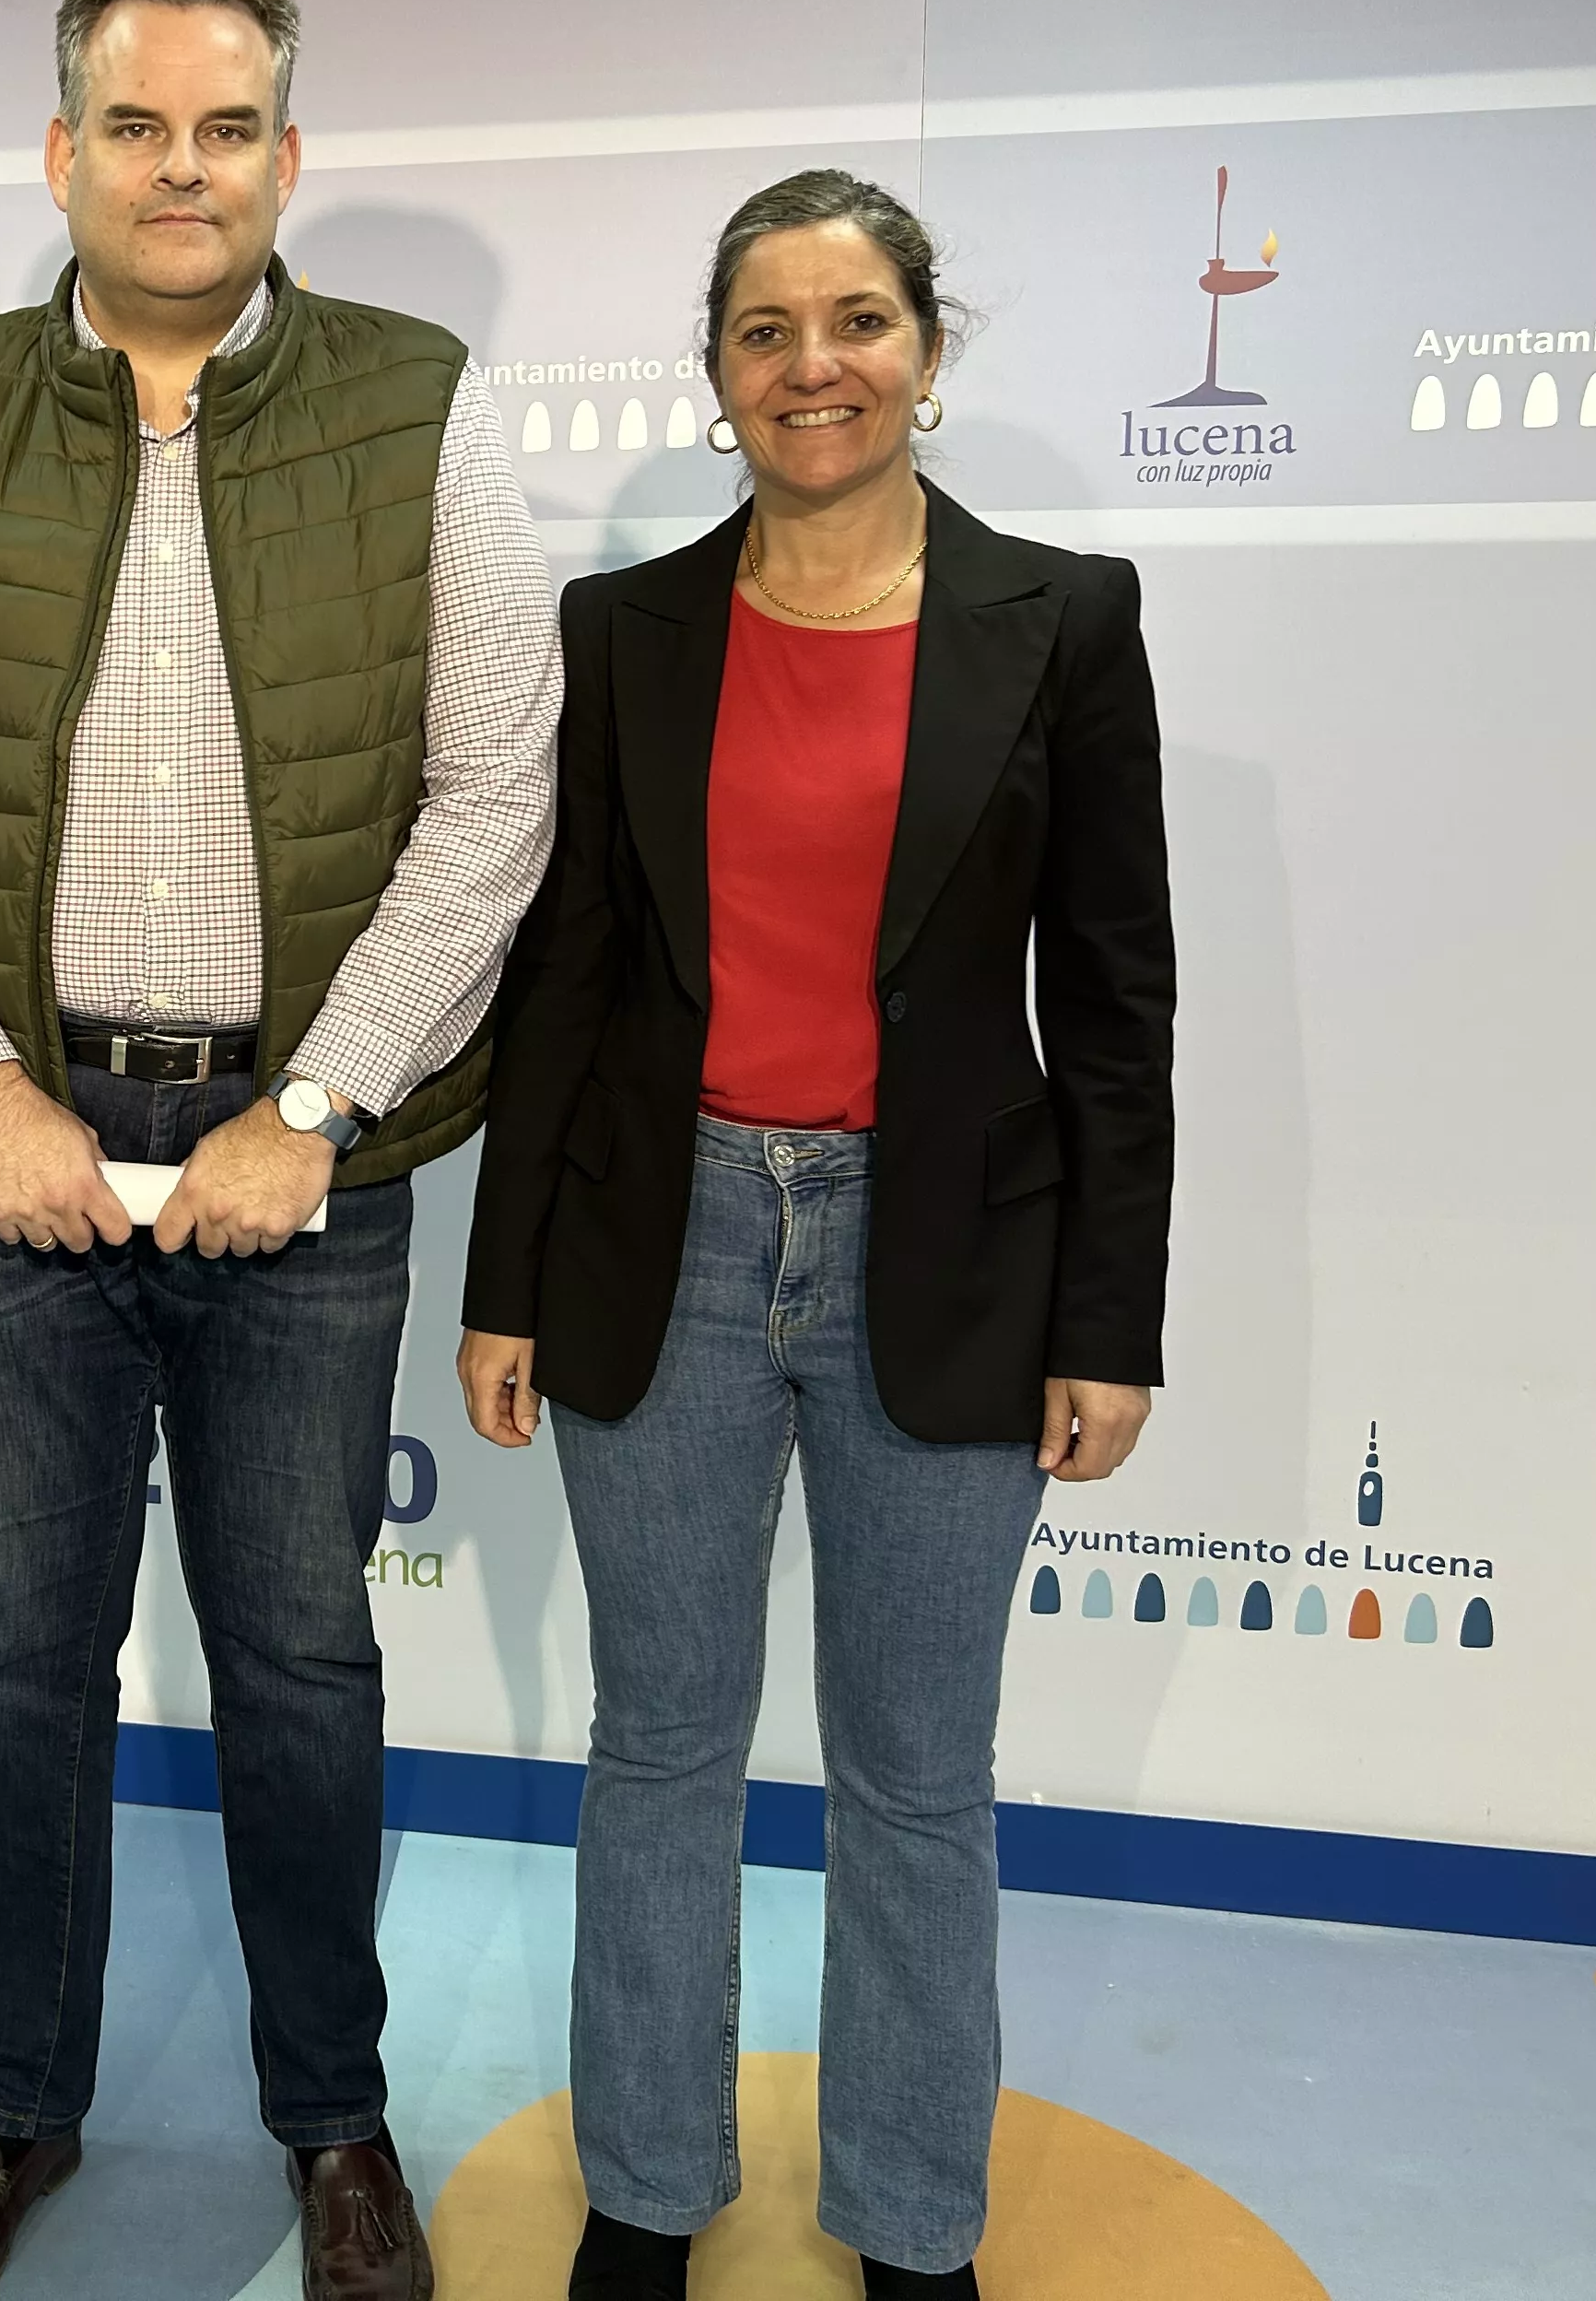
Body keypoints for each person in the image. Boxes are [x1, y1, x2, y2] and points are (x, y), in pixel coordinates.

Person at [0, 0, 557, 2301]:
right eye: (137, 126)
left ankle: (336, 2123)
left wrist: (316, 1103)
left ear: (286, 161)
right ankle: (15, 2103)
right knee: (22, 1658)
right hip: (7, 1169)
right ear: (64, 155)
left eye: (226, 130)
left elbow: (494, 791)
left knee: (303, 1664)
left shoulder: (419, 407)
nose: (182, 167)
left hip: (294, 1172)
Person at [455, 170, 1174, 2300]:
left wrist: (1111, 1322)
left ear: (926, 355)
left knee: (917, 1786)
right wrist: (504, 1282)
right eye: (766, 333)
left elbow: (1116, 1006)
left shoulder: (1067, 620)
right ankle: (649, 2198)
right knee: (660, 1753)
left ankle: (914, 2227)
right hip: (657, 1241)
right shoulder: (623, 634)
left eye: (855, 322)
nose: (814, 368)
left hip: (949, 1259)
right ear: (717, 378)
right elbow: (562, 977)